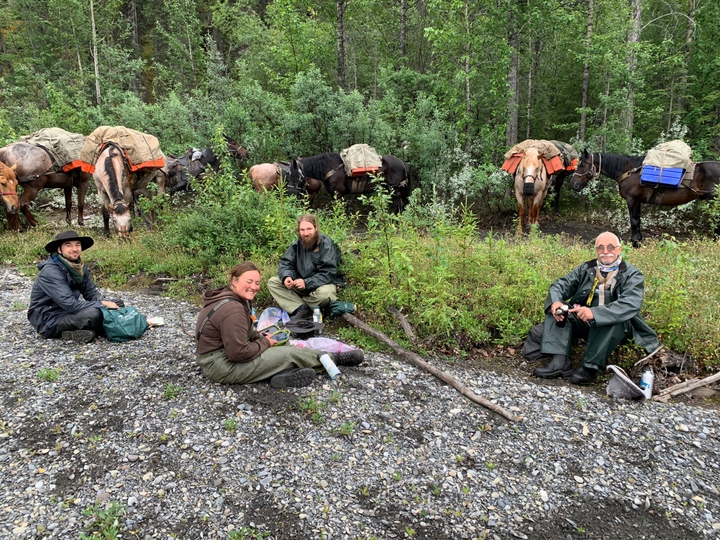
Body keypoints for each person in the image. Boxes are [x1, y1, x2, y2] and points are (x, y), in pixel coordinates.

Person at [195, 261, 363, 388]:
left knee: (277, 346)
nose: (254, 287)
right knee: (287, 354)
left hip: (216, 357)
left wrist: (258, 336)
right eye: (249, 281)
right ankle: (332, 359)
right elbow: (238, 353)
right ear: (234, 280)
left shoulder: (229, 296)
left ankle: (282, 375)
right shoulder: (233, 309)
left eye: (257, 283)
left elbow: (242, 332)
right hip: (222, 366)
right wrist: (265, 342)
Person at [529, 231, 659, 385]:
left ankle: (589, 368)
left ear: (619, 249)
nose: (605, 252)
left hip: (618, 327)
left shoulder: (633, 274)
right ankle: (560, 362)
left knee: (614, 320)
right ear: (596, 250)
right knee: (559, 310)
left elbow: (630, 304)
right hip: (584, 320)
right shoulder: (586, 268)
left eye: (611, 247)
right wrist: (555, 302)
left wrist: (594, 313)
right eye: (600, 248)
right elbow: (560, 285)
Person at [28, 230, 119, 343]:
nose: (74, 249)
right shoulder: (50, 271)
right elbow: (70, 304)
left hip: (68, 312)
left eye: (77, 245)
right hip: (49, 318)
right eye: (68, 245)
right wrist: (102, 304)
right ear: (59, 249)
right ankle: (100, 329)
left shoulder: (78, 267)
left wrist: (105, 304)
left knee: (117, 303)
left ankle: (83, 332)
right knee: (94, 314)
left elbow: (91, 293)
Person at [267, 214, 344, 321]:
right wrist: (287, 277)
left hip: (322, 285)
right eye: (302, 230)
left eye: (309, 229)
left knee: (326, 294)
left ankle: (297, 304)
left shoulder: (326, 244)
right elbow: (286, 264)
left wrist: (307, 283)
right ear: (298, 231)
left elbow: (329, 272)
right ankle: (303, 309)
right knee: (273, 282)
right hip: (300, 285)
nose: (306, 233)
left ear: (316, 228)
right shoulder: (296, 245)